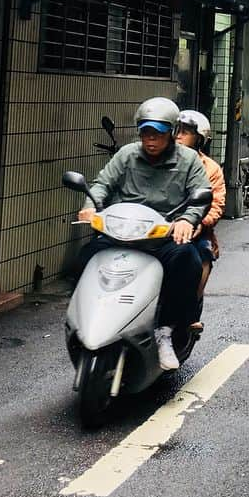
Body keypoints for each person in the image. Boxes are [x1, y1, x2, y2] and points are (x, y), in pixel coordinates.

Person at [76, 97, 207, 372]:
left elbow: (201, 196)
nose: (150, 139)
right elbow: (102, 183)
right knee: (86, 256)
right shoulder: (126, 154)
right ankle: (84, 318)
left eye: (157, 133)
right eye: (146, 132)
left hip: (163, 235)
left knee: (188, 260)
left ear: (171, 132)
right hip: (123, 231)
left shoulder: (189, 160)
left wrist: (186, 220)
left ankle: (165, 329)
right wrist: (90, 206)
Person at [174, 110, 225, 305]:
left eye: (185, 132)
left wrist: (201, 223)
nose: (178, 136)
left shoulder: (210, 168)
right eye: (177, 130)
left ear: (199, 139)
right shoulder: (161, 159)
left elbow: (216, 205)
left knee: (203, 253)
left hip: (196, 228)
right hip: (158, 225)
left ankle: (190, 307)